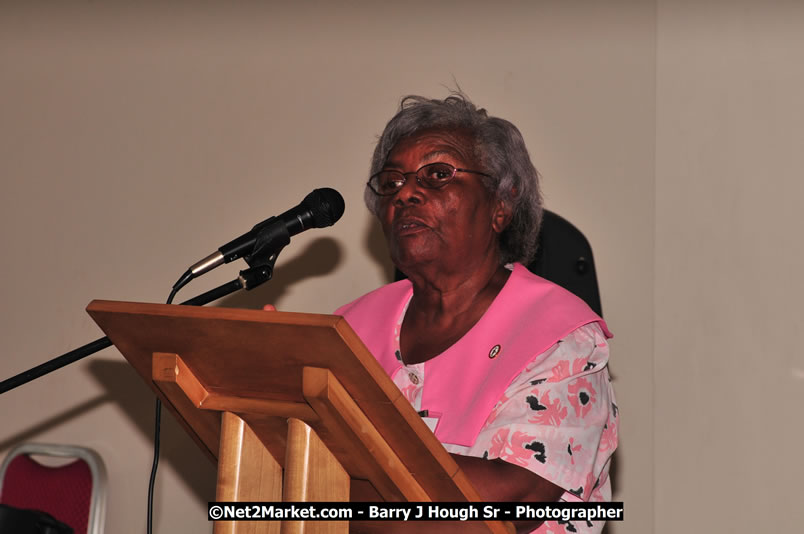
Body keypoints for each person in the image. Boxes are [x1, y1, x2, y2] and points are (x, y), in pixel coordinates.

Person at [335, 94, 618, 534]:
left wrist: (330, 486)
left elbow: (504, 502)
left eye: (437, 174)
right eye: (391, 182)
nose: (405, 193)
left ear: (500, 206)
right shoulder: (346, 330)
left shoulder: (561, 336)